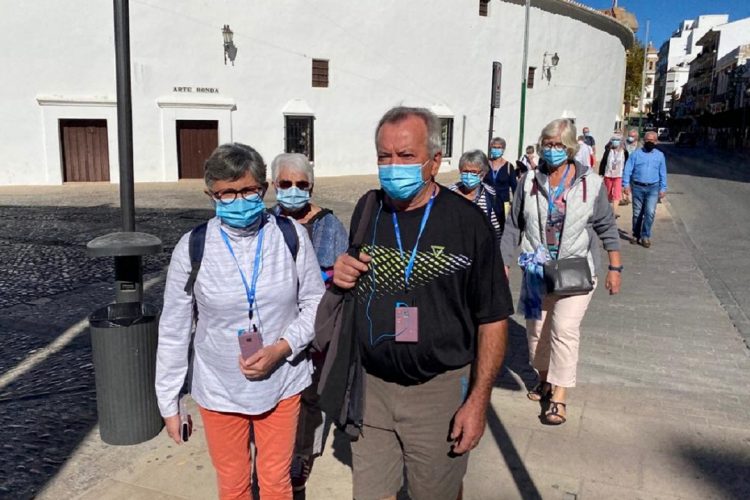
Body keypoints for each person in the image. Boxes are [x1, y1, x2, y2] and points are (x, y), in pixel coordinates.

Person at [333, 106, 514, 500]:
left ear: (434, 162)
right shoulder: (368, 209)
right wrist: (343, 272)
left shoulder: (468, 223)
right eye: (384, 156)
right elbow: (355, 277)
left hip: (439, 393)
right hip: (373, 389)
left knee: (436, 493)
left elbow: (493, 317)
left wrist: (478, 401)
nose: (392, 166)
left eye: (405, 156)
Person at [155, 143, 325, 500]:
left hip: (282, 381)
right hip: (218, 387)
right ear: (210, 195)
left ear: (263, 189)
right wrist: (169, 403)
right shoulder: (193, 247)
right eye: (226, 193)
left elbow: (315, 302)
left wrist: (283, 347)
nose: (238, 199)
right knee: (233, 484)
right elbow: (173, 327)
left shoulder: (290, 236)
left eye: (247, 190)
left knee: (276, 481)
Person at [501, 118, 622, 425]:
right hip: (533, 267)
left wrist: (615, 266)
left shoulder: (591, 183)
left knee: (564, 330)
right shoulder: (527, 181)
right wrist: (504, 263)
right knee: (535, 332)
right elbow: (514, 225)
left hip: (577, 267)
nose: (551, 150)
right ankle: (544, 379)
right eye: (547, 143)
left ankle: (559, 397)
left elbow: (607, 226)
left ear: (569, 148)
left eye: (558, 144)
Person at [269, 152, 349, 491]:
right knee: (278, 391)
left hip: (317, 324)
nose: (293, 190)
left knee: (311, 394)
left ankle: (303, 453)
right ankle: (277, 449)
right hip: (275, 324)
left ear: (312, 187)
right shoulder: (264, 221)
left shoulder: (330, 225)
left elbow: (345, 277)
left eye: (301, 184)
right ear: (274, 185)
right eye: (285, 184)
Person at [622, 131, 667, 248]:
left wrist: (663, 188)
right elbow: (627, 170)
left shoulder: (660, 156)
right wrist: (626, 185)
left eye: (652, 141)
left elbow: (663, 173)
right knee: (637, 213)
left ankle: (645, 236)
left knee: (650, 213)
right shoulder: (636, 154)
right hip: (637, 187)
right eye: (647, 140)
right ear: (643, 141)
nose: (649, 143)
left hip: (653, 188)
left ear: (656, 142)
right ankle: (636, 234)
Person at [448, 149, 505, 240]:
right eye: (465, 171)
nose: (468, 175)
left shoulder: (491, 196)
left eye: (474, 172)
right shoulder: (449, 193)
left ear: (483, 174)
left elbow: (496, 231)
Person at [598, 133, 629, 219]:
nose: (615, 142)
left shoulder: (624, 152)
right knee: (607, 193)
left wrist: (626, 176)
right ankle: (607, 210)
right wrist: (601, 173)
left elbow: (626, 164)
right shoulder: (608, 151)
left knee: (617, 194)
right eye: (614, 140)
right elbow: (603, 162)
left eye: (617, 140)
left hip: (619, 175)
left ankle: (614, 212)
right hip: (608, 174)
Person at [484, 136, 517, 215]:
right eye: (494, 147)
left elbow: (514, 187)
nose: (496, 149)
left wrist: (516, 206)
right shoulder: (485, 164)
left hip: (503, 204)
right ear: (490, 148)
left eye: (499, 147)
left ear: (503, 150)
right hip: (487, 202)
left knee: (502, 225)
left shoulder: (509, 166)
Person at [620, 129, 640, 205]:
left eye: (632, 136)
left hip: (635, 167)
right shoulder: (624, 143)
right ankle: (623, 197)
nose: (630, 137)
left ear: (636, 137)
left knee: (632, 183)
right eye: (629, 136)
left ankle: (627, 196)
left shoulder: (639, 146)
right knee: (623, 181)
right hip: (624, 165)